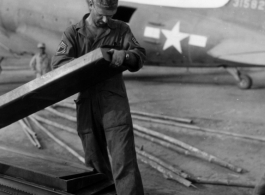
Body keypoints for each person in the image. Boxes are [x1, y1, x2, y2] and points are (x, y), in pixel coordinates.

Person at [52, 0, 145, 194]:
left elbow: (139, 55)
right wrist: (85, 64)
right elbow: (58, 63)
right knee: (94, 161)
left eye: (110, 15)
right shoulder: (73, 33)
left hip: (114, 103)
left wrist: (125, 56)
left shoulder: (121, 29)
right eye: (101, 14)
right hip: (86, 103)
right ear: (90, 4)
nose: (105, 19)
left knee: (123, 159)